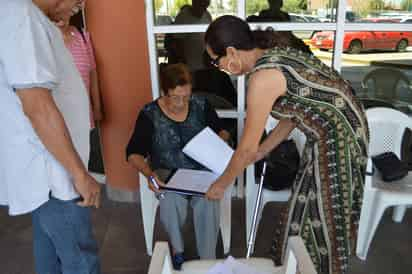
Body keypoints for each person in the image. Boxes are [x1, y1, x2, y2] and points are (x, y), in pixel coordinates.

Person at [203, 15, 369, 274]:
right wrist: (263, 150)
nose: (218, 67)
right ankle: (295, 266)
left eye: (216, 60)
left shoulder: (263, 78)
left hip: (339, 142)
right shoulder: (272, 53)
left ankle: (313, 268)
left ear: (232, 52)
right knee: (300, 210)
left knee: (322, 220)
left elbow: (245, 149)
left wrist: (221, 184)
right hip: (338, 132)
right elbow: (293, 115)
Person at [0, 1, 101, 273]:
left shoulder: (24, 15)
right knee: (80, 257)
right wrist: (80, 174)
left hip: (51, 169)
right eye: (78, 1)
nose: (78, 8)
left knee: (50, 252)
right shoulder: (22, 16)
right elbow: (38, 108)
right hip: (55, 173)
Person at [126, 63, 230, 270]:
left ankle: (206, 259)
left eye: (186, 96)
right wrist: (149, 174)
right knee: (170, 199)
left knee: (208, 199)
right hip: (167, 173)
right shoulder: (150, 114)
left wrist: (219, 142)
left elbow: (223, 130)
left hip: (201, 173)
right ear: (164, 92)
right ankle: (178, 250)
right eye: (175, 97)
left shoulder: (201, 104)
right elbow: (133, 153)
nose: (182, 102)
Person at [57, 10, 105, 173]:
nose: (61, 17)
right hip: (59, 118)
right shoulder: (45, 39)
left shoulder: (82, 36)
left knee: (85, 163)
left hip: (85, 116)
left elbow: (93, 72)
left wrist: (97, 108)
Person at [166, 0, 212, 71]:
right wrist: (184, 64)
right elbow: (177, 43)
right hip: (188, 69)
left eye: (205, 6)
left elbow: (209, 39)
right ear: (194, 2)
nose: (203, 8)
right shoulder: (183, 17)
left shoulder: (207, 15)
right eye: (201, 4)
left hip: (204, 67)